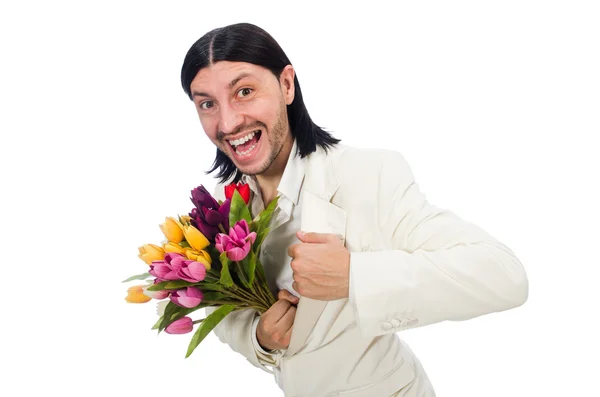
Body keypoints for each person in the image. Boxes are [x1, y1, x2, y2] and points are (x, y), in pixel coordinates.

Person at [180, 22, 529, 397]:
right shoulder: (223, 203)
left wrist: (353, 275)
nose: (229, 122)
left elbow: (505, 277)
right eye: (208, 104)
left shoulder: (367, 175)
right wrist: (259, 338)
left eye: (244, 91)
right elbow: (225, 310)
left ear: (286, 85)